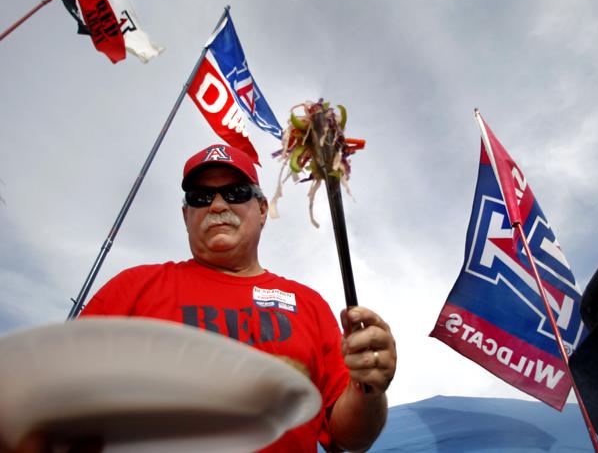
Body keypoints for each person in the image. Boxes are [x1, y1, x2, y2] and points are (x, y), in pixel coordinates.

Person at [79, 144, 397, 452]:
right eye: (201, 198)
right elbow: (66, 397)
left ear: (261, 210)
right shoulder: (132, 288)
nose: (217, 206)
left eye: (236, 193)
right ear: (186, 215)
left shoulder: (308, 304)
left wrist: (370, 388)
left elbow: (351, 438)